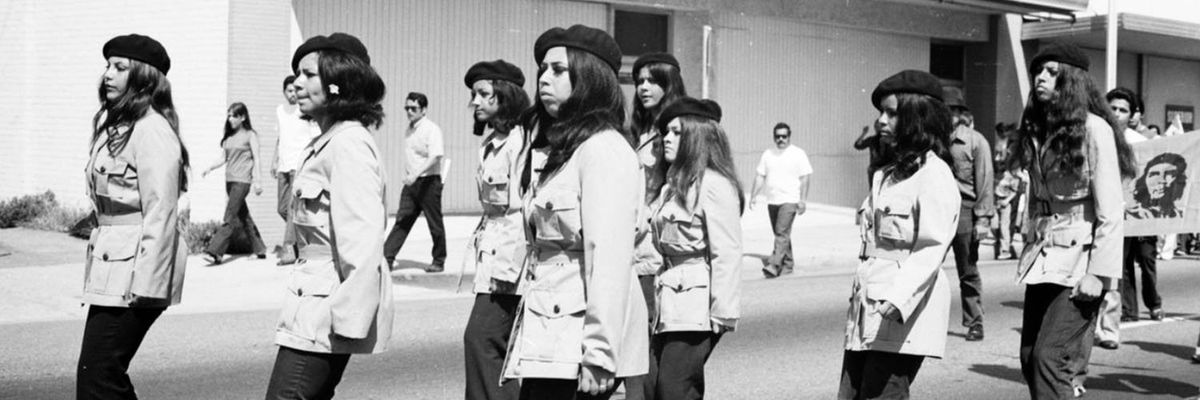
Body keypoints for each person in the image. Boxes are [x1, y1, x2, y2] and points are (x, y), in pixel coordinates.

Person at [502, 24, 648, 400]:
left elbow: (610, 258)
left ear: (589, 78)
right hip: (550, 337)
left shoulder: (604, 149)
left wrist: (599, 354)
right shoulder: (561, 151)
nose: (543, 79)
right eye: (542, 70)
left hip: (581, 345)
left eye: (558, 70)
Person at [264, 32, 394, 399]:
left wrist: (349, 322)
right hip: (310, 305)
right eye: (297, 76)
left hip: (325, 314)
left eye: (309, 75)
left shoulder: (348, 144)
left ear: (340, 82)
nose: (297, 84)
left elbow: (363, 241)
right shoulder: (329, 141)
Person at [1009, 43, 1135, 400]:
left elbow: (1111, 210)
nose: (1040, 79)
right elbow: (1038, 198)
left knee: (1050, 358)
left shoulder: (1094, 129)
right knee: (1030, 355)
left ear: (1073, 80)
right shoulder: (1038, 129)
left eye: (1052, 72)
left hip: (1082, 261)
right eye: (1038, 71)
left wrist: (1099, 273)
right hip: (1044, 257)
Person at [78, 33, 190, 399]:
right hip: (113, 266)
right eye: (108, 66)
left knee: (101, 375)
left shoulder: (152, 129)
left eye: (119, 67)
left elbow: (162, 211)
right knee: (98, 374)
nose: (107, 74)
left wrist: (148, 284)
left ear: (143, 77)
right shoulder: (116, 127)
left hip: (136, 272)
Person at [840, 70, 958, 400]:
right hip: (868, 307)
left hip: (901, 307)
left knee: (883, 395)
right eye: (881, 112)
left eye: (892, 113)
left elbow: (932, 246)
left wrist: (897, 298)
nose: (881, 121)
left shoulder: (934, 174)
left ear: (917, 117)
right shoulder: (888, 175)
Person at [650, 97, 742, 400]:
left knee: (675, 389)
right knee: (655, 388)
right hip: (667, 300)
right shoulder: (671, 185)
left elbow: (726, 252)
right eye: (666, 131)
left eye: (677, 132)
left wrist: (722, 313)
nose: (667, 137)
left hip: (695, 305)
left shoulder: (713, 184)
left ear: (696, 136)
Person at [461, 59, 531, 400]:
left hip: (511, 262)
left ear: (505, 97)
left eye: (483, 94)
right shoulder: (492, 143)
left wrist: (509, 267)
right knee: (488, 345)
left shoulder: (521, 143)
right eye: (474, 94)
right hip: (492, 259)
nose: (475, 101)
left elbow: (525, 210)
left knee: (484, 341)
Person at [625, 51, 687, 400]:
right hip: (632, 246)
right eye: (639, 81)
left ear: (669, 83)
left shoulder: (676, 130)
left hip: (653, 251)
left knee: (644, 344)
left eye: (652, 80)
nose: (643, 87)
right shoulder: (640, 131)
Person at [943, 87, 994, 342]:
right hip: (938, 212)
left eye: (951, 110)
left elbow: (985, 181)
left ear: (960, 113)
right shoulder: (933, 140)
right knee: (925, 267)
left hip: (965, 211)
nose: (946, 115)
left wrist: (983, 219)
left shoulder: (976, 141)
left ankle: (975, 322)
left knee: (967, 271)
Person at [383, 91, 448, 272]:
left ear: (424, 110)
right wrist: (411, 177)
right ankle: (386, 258)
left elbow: (436, 156)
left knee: (434, 223)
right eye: (407, 108)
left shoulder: (431, 129)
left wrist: (416, 174)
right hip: (412, 184)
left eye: (414, 108)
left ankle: (438, 260)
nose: (409, 112)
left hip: (428, 182)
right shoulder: (409, 130)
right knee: (403, 220)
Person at [201, 102, 268, 264]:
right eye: (229, 115)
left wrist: (258, 181)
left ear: (242, 117)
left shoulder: (250, 135)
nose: (230, 119)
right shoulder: (229, 137)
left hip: (242, 181)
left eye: (233, 116)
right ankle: (260, 249)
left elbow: (257, 158)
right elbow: (224, 158)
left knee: (229, 216)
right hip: (229, 181)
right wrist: (210, 167)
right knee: (243, 216)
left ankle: (215, 251)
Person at [750, 122, 814, 278]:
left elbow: (805, 178)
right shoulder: (768, 154)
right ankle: (788, 265)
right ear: (774, 137)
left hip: (790, 200)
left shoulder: (798, 153)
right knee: (782, 234)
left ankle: (774, 264)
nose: (781, 139)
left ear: (789, 136)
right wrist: (753, 195)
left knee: (781, 232)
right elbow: (760, 176)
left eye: (784, 136)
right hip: (772, 200)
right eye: (777, 136)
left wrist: (802, 200)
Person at [271, 75, 319, 266]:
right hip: (283, 165)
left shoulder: (305, 112)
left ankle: (288, 249)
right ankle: (302, 240)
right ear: (284, 92)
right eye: (289, 91)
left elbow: (314, 138)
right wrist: (274, 161)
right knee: (282, 208)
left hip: (298, 166)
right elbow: (279, 137)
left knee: (292, 209)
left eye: (295, 90)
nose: (293, 94)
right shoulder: (280, 111)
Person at [992, 122, 1025, 260]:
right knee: (1001, 223)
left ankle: (1006, 248)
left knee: (1007, 223)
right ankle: (1006, 245)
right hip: (1002, 187)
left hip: (1010, 189)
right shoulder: (1002, 145)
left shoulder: (1012, 146)